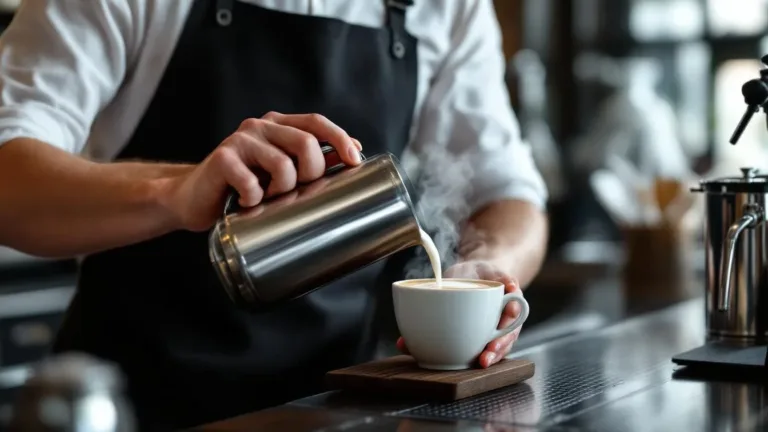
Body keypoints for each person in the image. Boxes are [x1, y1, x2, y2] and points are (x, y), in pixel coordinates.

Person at [0, 0, 549, 429]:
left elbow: (508, 193)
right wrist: (175, 190)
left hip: (340, 411)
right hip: (142, 404)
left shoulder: (445, 7)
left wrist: (487, 268)